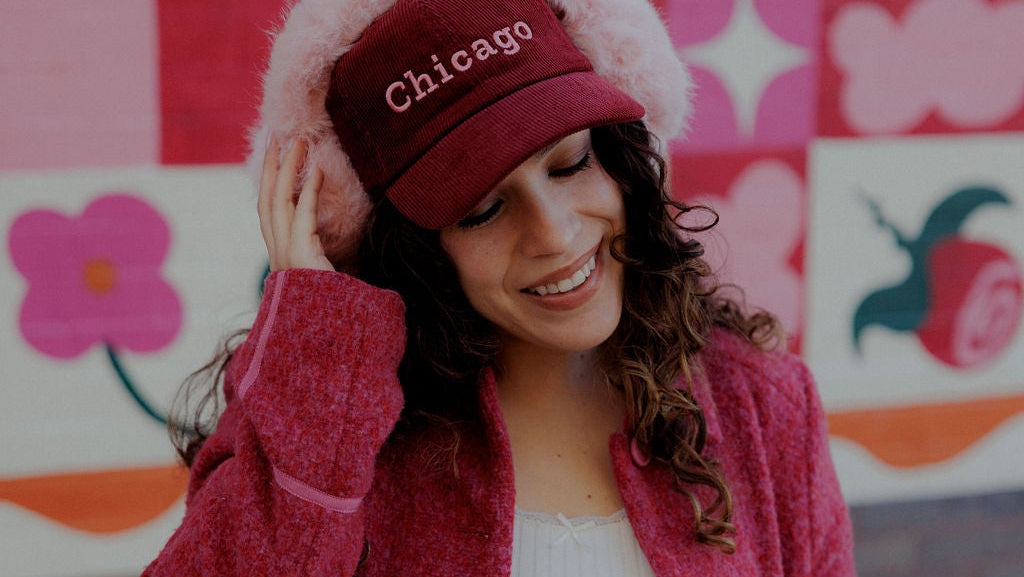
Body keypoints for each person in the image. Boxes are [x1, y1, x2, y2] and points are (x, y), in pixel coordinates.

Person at [146, 0, 855, 575]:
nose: (553, 232)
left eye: (570, 162)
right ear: (415, 249)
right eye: (483, 208)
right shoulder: (330, 434)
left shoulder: (767, 408)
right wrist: (317, 335)